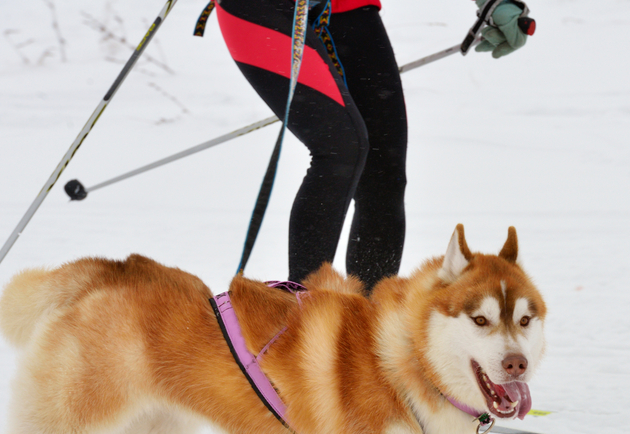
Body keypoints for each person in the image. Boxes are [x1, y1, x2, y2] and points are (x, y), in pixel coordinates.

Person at [213, 0, 530, 291]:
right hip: (261, 7)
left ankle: (371, 323)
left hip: (346, 6)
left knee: (384, 171)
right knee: (341, 148)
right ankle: (300, 317)